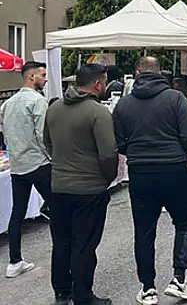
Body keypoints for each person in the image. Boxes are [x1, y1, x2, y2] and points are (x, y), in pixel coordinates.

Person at [113, 57, 187, 304]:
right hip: (174, 167)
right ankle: (179, 278)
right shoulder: (175, 98)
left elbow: (119, 142)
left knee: (144, 230)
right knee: (184, 223)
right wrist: (175, 150)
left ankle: (148, 287)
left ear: (137, 73)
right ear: (160, 72)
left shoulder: (123, 105)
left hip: (140, 171)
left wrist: (138, 153)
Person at [44, 64, 117, 305]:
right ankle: (83, 294)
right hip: (89, 189)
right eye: (104, 82)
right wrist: (107, 178)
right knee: (84, 245)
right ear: (97, 84)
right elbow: (108, 154)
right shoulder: (98, 112)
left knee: (62, 242)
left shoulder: (54, 108)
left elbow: (48, 144)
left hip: (59, 186)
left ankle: (61, 292)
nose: (105, 86)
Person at [0, 61, 51, 278]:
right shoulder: (38, 101)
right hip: (38, 162)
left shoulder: (7, 104)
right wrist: (52, 157)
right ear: (32, 77)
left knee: (17, 211)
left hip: (18, 164)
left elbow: (5, 133)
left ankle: (14, 260)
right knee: (57, 207)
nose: (46, 78)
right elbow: (43, 134)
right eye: (43, 75)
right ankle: (64, 253)